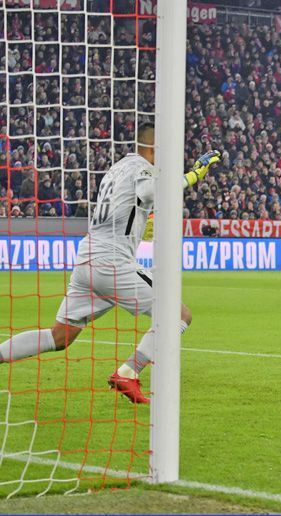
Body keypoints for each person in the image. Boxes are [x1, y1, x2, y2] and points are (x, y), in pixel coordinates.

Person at [0, 124, 221, 403]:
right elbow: (153, 191)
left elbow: (129, 207)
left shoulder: (116, 169)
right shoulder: (143, 168)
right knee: (179, 314)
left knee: (60, 336)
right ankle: (128, 372)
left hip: (88, 259)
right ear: (152, 146)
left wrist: (142, 225)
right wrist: (193, 175)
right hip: (112, 262)